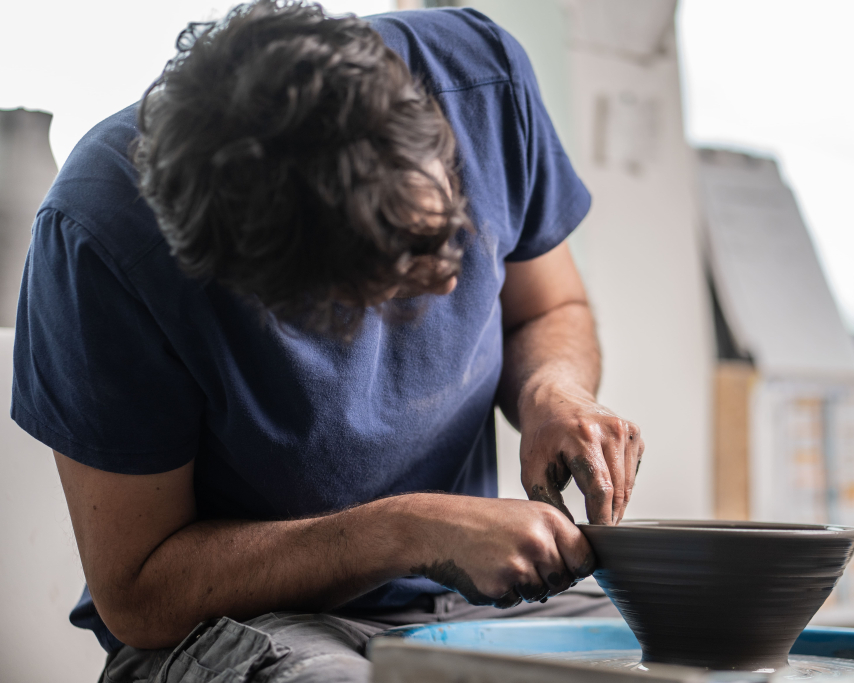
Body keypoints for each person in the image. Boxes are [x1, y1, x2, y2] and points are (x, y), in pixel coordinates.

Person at [11, 2, 644, 681]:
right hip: (248, 622)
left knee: (691, 648)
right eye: (392, 282)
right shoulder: (99, 236)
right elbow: (140, 593)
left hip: (476, 599)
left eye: (442, 228)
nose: (451, 284)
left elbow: (547, 307)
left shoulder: (482, 81)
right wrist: (411, 531)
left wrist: (552, 390)